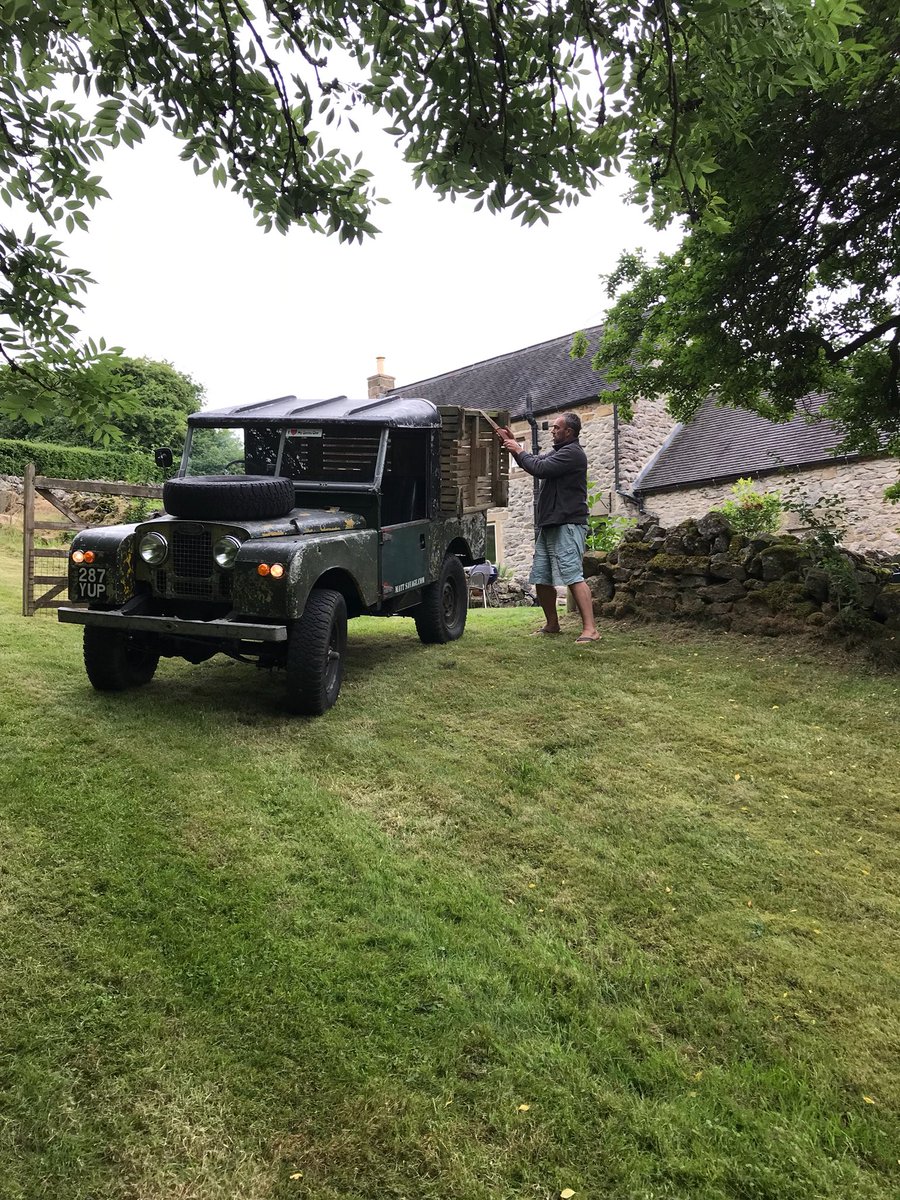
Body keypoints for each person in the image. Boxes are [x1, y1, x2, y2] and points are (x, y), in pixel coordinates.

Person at [495, 411, 600, 643]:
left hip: (568, 524)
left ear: (568, 432)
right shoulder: (560, 452)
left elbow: (539, 468)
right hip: (551, 524)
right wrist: (514, 445)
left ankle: (591, 629)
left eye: (556, 427)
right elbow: (536, 461)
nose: (552, 431)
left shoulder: (573, 453)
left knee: (573, 576)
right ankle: (552, 624)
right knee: (541, 577)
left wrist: (518, 449)